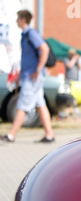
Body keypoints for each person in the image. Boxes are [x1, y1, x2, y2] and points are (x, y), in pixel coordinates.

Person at [1, 10, 55, 143]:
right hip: (29, 75)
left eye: (18, 18)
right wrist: (19, 76)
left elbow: (44, 49)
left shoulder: (31, 34)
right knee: (40, 104)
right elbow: (27, 59)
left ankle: (11, 135)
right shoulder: (25, 35)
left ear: (24, 19)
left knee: (22, 104)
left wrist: (38, 70)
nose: (16, 21)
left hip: (32, 77)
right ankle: (49, 135)